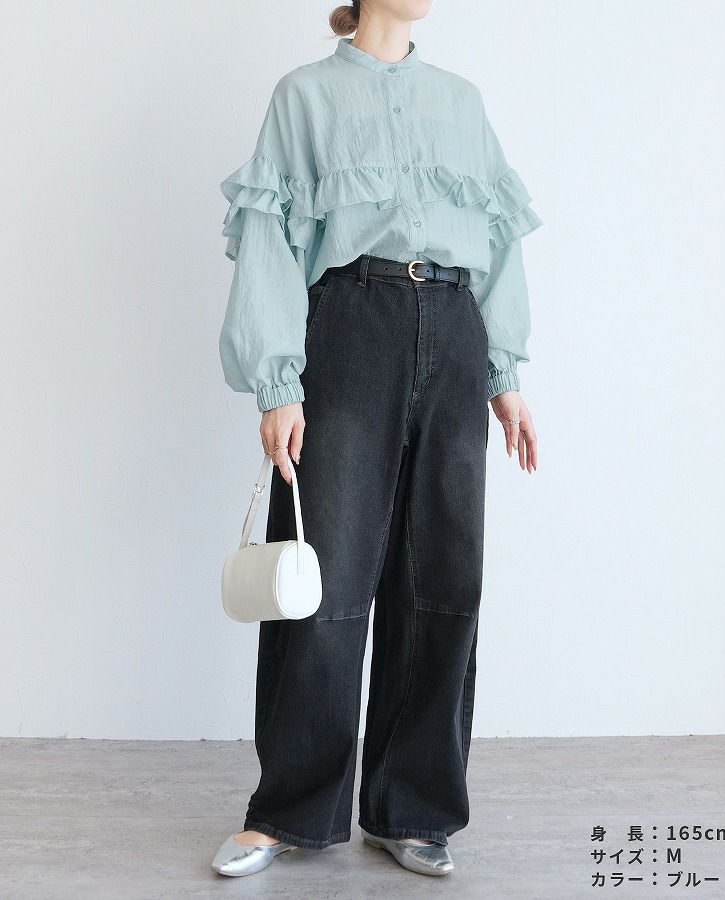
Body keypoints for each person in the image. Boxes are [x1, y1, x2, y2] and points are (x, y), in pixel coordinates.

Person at [211, 0, 541, 880]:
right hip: (351, 323)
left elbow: (499, 243)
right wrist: (278, 382)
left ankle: (414, 808)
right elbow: (270, 239)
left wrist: (504, 374)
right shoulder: (304, 95)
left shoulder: (461, 101)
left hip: (456, 329)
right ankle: (288, 810)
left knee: (443, 578)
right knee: (327, 576)